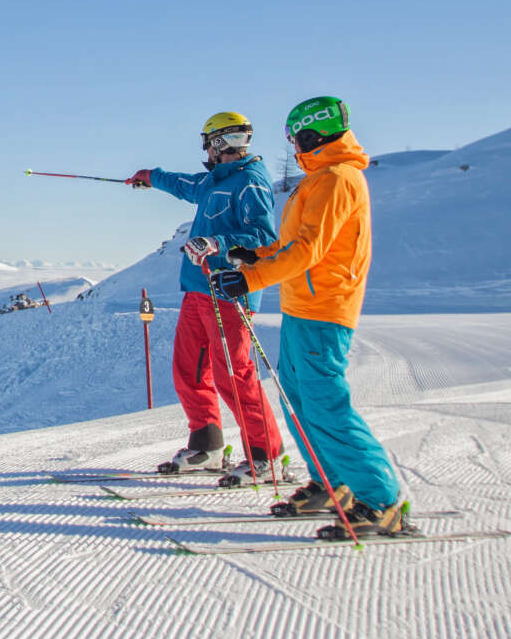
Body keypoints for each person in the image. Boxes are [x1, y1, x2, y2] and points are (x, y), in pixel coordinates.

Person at [212, 96, 407, 536]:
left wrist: (251, 280)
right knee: (298, 400)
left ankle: (381, 500)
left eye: (294, 136)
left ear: (310, 134)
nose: (292, 145)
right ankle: (332, 483)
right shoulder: (320, 178)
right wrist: (251, 256)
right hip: (302, 307)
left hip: (325, 309)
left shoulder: (337, 178)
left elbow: (308, 249)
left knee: (325, 404)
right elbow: (291, 244)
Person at [127, 111, 284, 479]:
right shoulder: (217, 181)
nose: (205, 151)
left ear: (217, 143)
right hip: (199, 290)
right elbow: (186, 184)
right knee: (189, 372)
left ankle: (266, 456)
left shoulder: (250, 182)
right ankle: (207, 447)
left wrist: (216, 242)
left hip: (230, 292)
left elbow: (263, 238)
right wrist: (150, 177)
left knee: (234, 375)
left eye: (206, 142)